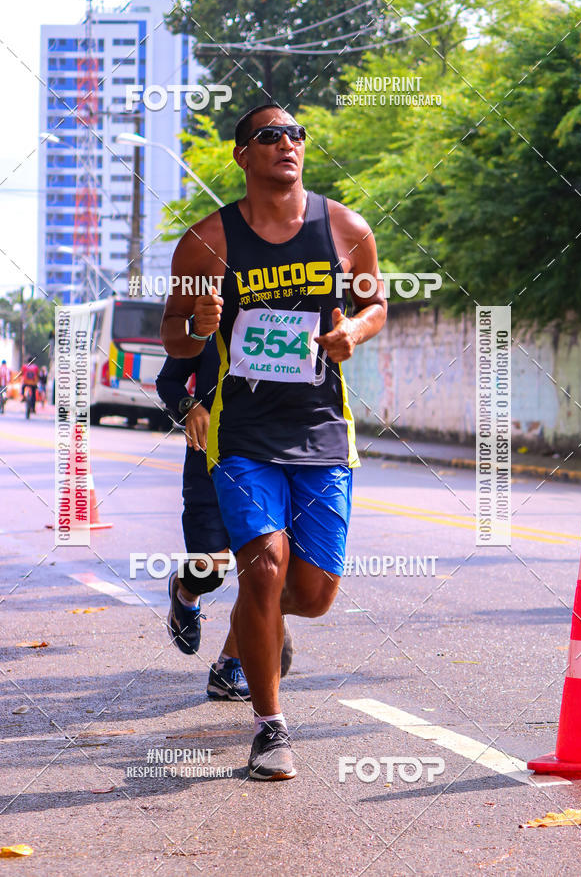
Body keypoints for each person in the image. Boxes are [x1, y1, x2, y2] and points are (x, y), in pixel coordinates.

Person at [161, 103, 386, 780]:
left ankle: (238, 645)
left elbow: (376, 304)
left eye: (296, 135)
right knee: (262, 564)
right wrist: (199, 327)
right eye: (270, 136)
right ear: (243, 156)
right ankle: (270, 727)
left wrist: (357, 332)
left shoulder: (345, 228)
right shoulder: (208, 243)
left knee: (312, 593)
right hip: (243, 434)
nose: (287, 144)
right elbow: (173, 338)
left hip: (320, 429)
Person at [156, 343, 293, 701]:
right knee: (211, 569)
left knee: (264, 570)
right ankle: (186, 594)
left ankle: (231, 664)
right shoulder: (211, 318)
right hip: (210, 459)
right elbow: (168, 381)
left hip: (271, 460)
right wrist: (190, 407)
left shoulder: (292, 315)